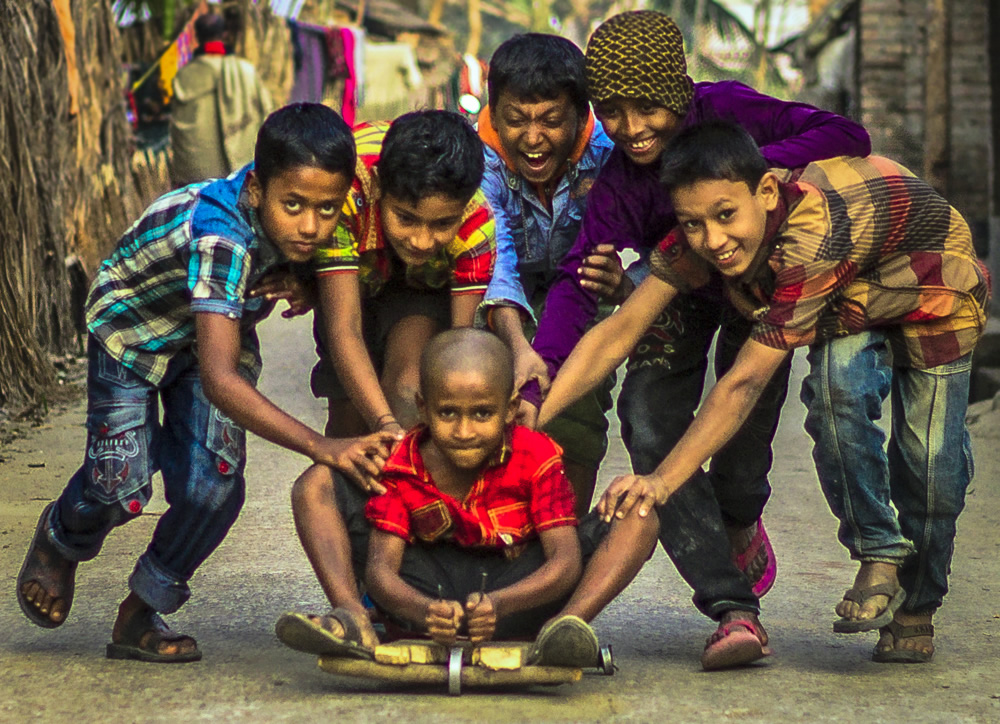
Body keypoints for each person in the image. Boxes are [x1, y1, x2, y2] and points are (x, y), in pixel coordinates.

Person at [541, 121, 989, 665]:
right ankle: (878, 551)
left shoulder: (808, 240)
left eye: (725, 216)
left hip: (932, 284)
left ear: (767, 192)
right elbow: (618, 331)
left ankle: (917, 605)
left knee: (930, 464)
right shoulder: (700, 237)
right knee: (835, 393)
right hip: (851, 295)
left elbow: (743, 382)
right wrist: (531, 418)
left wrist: (661, 481)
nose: (713, 241)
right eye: (693, 223)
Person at [526, 10, 872, 669]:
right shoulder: (623, 180)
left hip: (759, 291)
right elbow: (577, 280)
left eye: (648, 107)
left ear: (681, 90)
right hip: (676, 294)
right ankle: (733, 609)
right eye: (612, 112)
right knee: (649, 424)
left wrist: (739, 179)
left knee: (740, 454)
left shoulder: (728, 109)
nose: (632, 129)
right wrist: (542, 368)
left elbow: (846, 132)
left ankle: (740, 514)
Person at [16, 103, 396, 663]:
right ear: (256, 191)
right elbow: (221, 382)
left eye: (326, 208)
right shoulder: (222, 236)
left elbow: (335, 310)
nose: (312, 226)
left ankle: (140, 612)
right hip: (134, 333)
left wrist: (307, 284)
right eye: (294, 206)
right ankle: (61, 537)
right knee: (120, 482)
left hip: (214, 334)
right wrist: (322, 446)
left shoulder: (310, 225)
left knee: (213, 485)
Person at [278, 329, 659, 666]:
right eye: (447, 413)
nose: (463, 430)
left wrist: (502, 603)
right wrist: (424, 610)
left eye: (481, 413)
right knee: (315, 484)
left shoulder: (537, 456)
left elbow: (564, 561)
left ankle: (563, 632)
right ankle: (352, 618)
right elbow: (381, 571)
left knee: (640, 514)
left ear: (510, 409)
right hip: (427, 595)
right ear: (422, 408)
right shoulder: (403, 463)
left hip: (520, 594)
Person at [476, 33, 619, 515]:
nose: (533, 138)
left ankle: (568, 539)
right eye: (516, 120)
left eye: (551, 121)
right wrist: (519, 347)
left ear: (581, 115)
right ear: (494, 113)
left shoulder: (610, 153)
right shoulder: (479, 161)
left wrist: (627, 275)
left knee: (578, 397)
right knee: (481, 392)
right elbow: (497, 262)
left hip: (582, 290)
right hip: (493, 294)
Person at [310, 111, 496, 440]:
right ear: (379, 185)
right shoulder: (343, 195)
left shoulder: (476, 226)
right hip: (352, 276)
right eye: (406, 218)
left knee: (408, 387)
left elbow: (457, 347)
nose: (422, 240)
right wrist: (384, 426)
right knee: (348, 424)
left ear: (465, 204)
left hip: (422, 286)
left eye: (441, 225)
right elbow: (345, 329)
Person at [169, 13, 273, 188]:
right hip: (243, 177)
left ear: (197, 37)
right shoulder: (246, 71)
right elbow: (268, 115)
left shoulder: (184, 77)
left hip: (197, 185)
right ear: (224, 34)